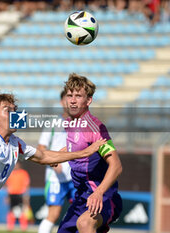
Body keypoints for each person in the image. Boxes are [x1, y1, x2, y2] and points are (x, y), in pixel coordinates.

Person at [0, 93, 108, 233]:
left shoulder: (15, 143)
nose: (15, 114)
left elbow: (43, 157)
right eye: (8, 110)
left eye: (16, 110)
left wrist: (83, 152)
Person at [57, 73, 123, 233]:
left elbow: (116, 165)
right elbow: (80, 147)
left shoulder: (95, 127)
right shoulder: (69, 123)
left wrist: (99, 193)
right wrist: (61, 154)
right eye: (70, 95)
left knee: (85, 224)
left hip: (103, 196)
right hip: (82, 197)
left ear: (88, 100)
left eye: (78, 96)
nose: (72, 100)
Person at [38, 90, 76, 233]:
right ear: (61, 102)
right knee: (53, 214)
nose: (71, 102)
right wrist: (53, 162)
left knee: (82, 214)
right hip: (55, 178)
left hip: (75, 177)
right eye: (68, 98)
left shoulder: (81, 124)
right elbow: (41, 149)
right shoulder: (53, 123)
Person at [5, 161, 31, 231]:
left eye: (17, 164)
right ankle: (10, 227)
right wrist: (7, 196)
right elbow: (7, 185)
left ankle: (24, 227)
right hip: (12, 194)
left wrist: (26, 196)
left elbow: (27, 185)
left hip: (20, 195)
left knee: (22, 211)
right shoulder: (10, 173)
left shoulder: (23, 173)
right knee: (11, 211)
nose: (16, 166)